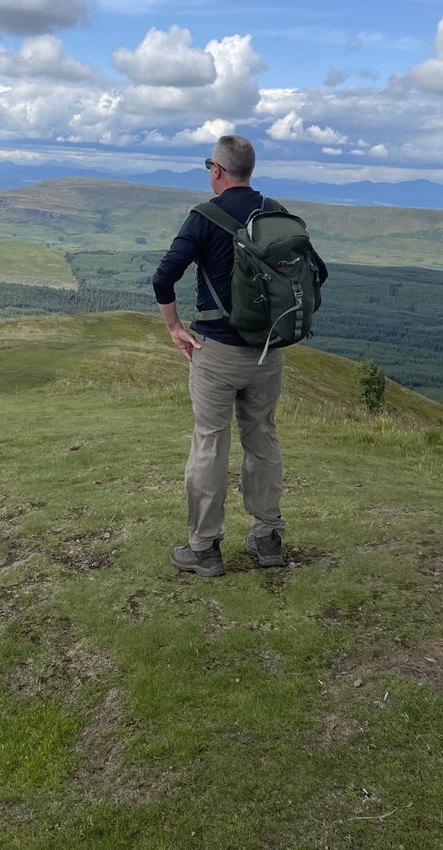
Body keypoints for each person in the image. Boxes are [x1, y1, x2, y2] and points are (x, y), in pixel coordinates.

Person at [152, 135, 327, 577]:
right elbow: (315, 271)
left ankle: (205, 548)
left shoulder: (203, 218)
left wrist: (175, 328)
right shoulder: (275, 213)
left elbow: (163, 278)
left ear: (216, 170)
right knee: (262, 438)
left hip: (217, 353)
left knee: (211, 442)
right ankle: (268, 538)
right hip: (269, 352)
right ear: (249, 170)